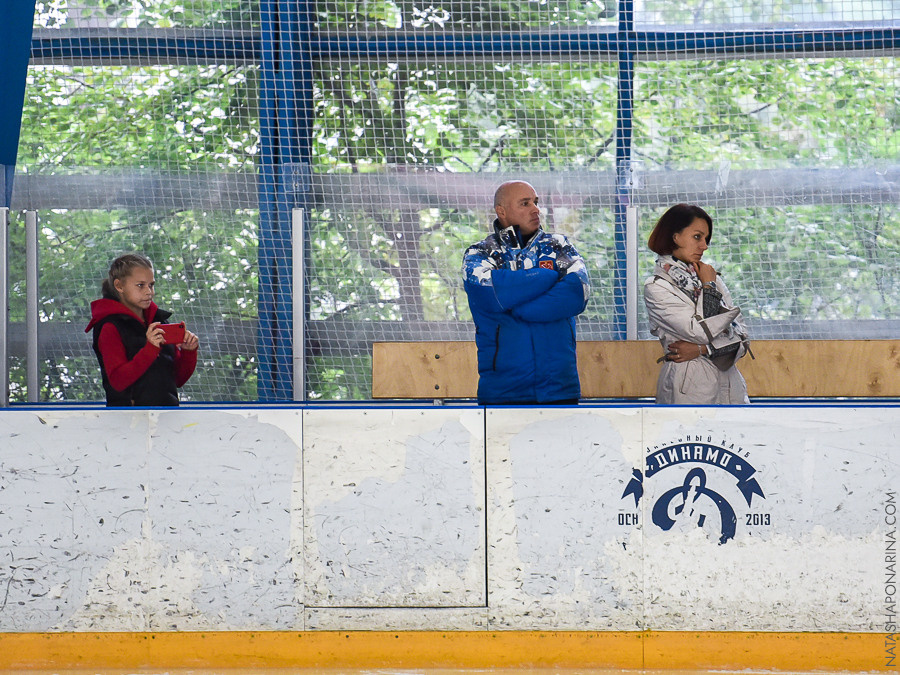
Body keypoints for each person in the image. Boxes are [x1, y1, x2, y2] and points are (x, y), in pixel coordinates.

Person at [462, 180, 591, 405]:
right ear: (501, 211)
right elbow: (491, 296)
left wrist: (519, 306)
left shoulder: (559, 245)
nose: (535, 209)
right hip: (502, 392)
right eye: (525, 203)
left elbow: (577, 292)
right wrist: (546, 276)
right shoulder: (480, 253)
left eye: (535, 202)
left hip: (559, 389)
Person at [643, 204, 751, 404]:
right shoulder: (657, 287)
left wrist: (703, 350)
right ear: (675, 237)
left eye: (706, 238)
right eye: (697, 237)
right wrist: (708, 287)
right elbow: (700, 331)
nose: (704, 246)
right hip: (688, 388)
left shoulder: (712, 278)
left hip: (730, 387)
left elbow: (743, 338)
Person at [85, 253, 199, 406]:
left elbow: (177, 380)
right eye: (140, 285)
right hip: (128, 422)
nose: (149, 292)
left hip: (167, 419)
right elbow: (118, 381)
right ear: (119, 286)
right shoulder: (110, 327)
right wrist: (150, 349)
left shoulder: (161, 322)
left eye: (151, 285)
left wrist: (188, 352)